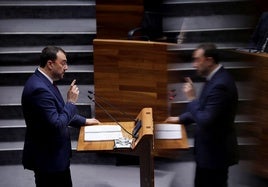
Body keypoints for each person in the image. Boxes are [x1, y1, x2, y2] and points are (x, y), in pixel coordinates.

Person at [21, 46, 100, 187]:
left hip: (55, 158)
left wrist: (86, 121)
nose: (67, 67)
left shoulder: (45, 83)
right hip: (48, 161)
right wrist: (70, 102)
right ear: (50, 64)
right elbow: (56, 124)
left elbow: (58, 112)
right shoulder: (39, 89)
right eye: (63, 63)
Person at [165, 43, 239, 187]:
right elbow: (206, 109)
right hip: (209, 152)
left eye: (197, 60)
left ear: (209, 60)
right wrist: (180, 119)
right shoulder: (214, 78)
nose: (194, 65)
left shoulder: (221, 85)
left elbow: (205, 120)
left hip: (215, 154)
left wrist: (192, 98)